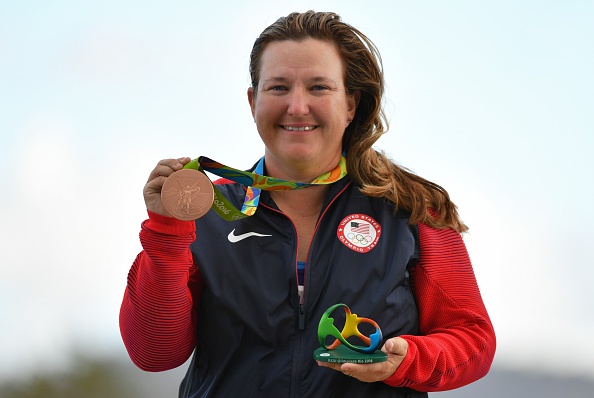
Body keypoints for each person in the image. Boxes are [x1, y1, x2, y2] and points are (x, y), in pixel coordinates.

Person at [119, 10, 496, 398]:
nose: (297, 106)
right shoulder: (207, 213)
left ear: (351, 103)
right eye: (279, 88)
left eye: (318, 87)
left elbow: (474, 342)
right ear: (253, 102)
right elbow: (154, 352)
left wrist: (407, 359)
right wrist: (166, 233)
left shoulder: (414, 210)